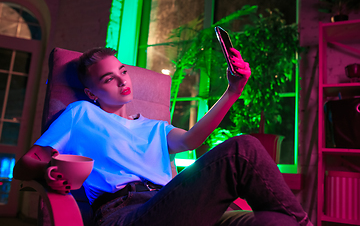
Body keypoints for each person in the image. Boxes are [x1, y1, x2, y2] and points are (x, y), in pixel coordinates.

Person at [13, 47, 312, 226]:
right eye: (108, 79)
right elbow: (27, 163)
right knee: (243, 148)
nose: (121, 81)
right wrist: (46, 170)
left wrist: (232, 91)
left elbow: (192, 139)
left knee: (278, 221)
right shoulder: (81, 113)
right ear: (91, 92)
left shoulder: (155, 127)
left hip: (177, 204)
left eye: (122, 71)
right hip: (127, 212)